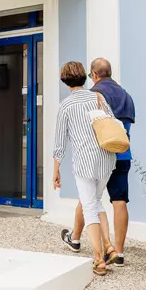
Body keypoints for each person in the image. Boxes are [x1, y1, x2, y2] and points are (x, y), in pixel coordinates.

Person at [61, 57, 135, 266]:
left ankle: (75, 238)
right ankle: (118, 252)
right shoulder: (126, 96)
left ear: (93, 75)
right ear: (110, 73)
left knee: (88, 199)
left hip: (100, 155)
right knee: (120, 200)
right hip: (122, 154)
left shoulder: (95, 96)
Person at [52, 61, 116, 276]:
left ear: (65, 81)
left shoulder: (66, 105)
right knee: (96, 202)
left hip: (84, 162)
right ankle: (108, 246)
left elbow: (60, 142)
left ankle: (99, 260)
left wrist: (56, 170)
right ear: (85, 77)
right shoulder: (98, 97)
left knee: (89, 207)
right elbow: (112, 122)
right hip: (107, 158)